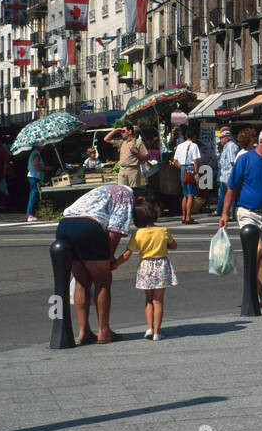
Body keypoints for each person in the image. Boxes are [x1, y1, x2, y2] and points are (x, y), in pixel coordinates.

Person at [55, 182, 136, 344]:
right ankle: (104, 332)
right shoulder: (126, 195)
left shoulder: (103, 189)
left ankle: (83, 331)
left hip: (65, 225)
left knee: (82, 282)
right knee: (103, 281)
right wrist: (110, 256)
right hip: (89, 227)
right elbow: (116, 229)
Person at [219, 126, 262, 307]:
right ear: (261, 142)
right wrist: (224, 213)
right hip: (247, 212)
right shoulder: (244, 159)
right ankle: (251, 294)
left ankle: (257, 295)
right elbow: (232, 188)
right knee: (259, 248)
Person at [123, 198, 177, 340]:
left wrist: (114, 264)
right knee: (158, 300)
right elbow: (174, 246)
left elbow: (127, 253)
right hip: (161, 265)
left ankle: (148, 328)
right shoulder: (163, 231)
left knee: (148, 299)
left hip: (146, 266)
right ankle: (157, 332)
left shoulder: (138, 234)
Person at [110, 125, 150, 190]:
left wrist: (136, 151)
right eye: (121, 131)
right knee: (121, 190)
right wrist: (115, 130)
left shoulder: (138, 142)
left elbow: (146, 158)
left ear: (130, 131)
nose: (121, 133)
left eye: (123, 131)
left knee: (133, 191)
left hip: (133, 170)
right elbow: (106, 139)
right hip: (122, 170)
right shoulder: (122, 142)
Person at [174, 130, 201, 224]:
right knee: (190, 195)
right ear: (194, 136)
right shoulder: (194, 146)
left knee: (185, 195)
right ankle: (188, 217)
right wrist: (196, 173)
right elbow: (196, 161)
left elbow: (175, 161)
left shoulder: (180, 146)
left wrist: (182, 168)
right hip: (190, 168)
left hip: (183, 169)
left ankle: (183, 216)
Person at [217, 127, 240, 214]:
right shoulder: (226, 147)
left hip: (229, 175)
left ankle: (232, 213)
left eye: (222, 138)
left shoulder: (231, 147)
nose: (221, 140)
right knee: (226, 196)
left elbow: (232, 162)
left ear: (227, 138)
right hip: (224, 175)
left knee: (231, 195)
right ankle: (227, 212)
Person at [23, 147, 43, 223]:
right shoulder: (36, 154)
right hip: (34, 176)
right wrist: (46, 168)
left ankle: (31, 214)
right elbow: (36, 167)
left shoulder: (34, 153)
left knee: (34, 194)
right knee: (33, 194)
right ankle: (30, 214)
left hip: (33, 176)